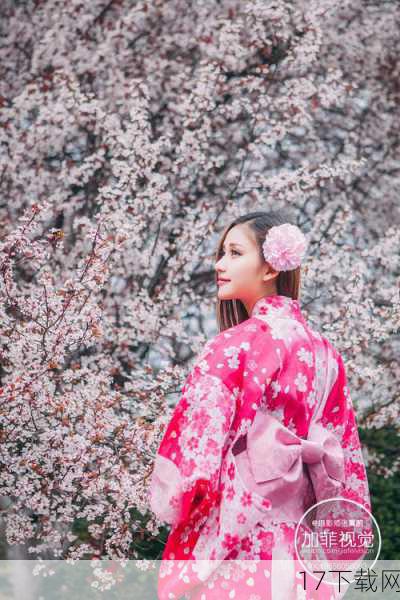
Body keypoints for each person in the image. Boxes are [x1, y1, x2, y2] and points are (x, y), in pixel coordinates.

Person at [148, 210, 373, 599]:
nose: (220, 264)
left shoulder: (233, 346)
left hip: (244, 544)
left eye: (235, 253)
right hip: (303, 554)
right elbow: (347, 460)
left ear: (270, 268)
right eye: (222, 253)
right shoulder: (326, 354)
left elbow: (197, 457)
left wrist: (181, 502)